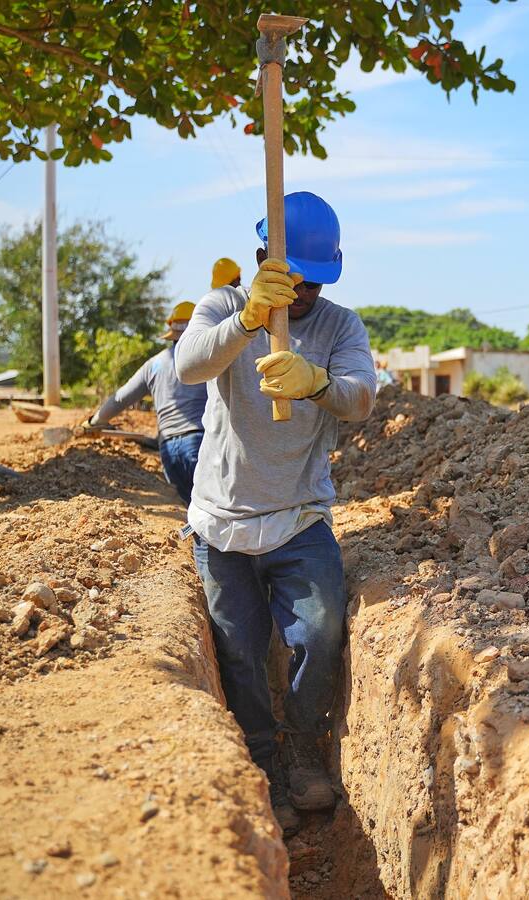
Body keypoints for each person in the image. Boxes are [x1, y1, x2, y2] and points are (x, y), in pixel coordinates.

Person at [175, 191, 375, 837]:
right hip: (221, 520)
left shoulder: (341, 326)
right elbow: (189, 365)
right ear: (266, 259)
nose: (307, 293)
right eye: (296, 279)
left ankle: (302, 752)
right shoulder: (222, 306)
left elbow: (361, 400)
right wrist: (247, 321)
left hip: (299, 516)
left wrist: (317, 383)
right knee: (238, 653)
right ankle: (258, 763)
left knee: (318, 635)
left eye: (317, 282)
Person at [82, 302, 208, 505]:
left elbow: (121, 398)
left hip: (168, 450)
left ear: (172, 331)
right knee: (212, 508)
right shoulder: (209, 359)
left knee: (191, 508)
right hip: (200, 442)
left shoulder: (154, 364)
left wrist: (94, 422)